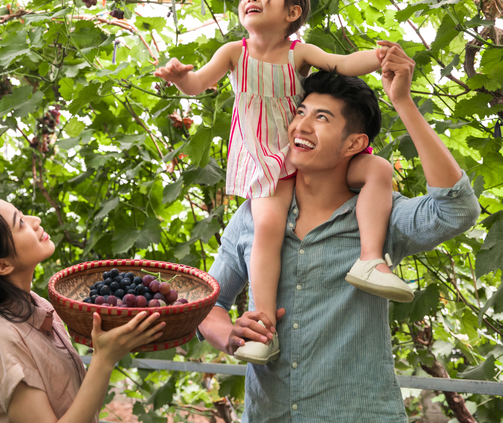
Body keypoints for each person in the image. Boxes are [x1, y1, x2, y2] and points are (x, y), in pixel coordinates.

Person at [198, 44, 481, 422]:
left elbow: (457, 210)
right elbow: (206, 304)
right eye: (300, 112)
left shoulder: (381, 215)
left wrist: (404, 103)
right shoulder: (254, 215)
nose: (301, 125)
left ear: (354, 144)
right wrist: (230, 335)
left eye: (322, 118)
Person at [155, 0, 412, 364]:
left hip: (303, 151)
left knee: (376, 167)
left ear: (293, 12)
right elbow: (198, 85)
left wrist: (379, 58)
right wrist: (179, 79)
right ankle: (263, 326)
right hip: (263, 158)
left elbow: (342, 63)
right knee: (269, 229)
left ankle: (370, 260)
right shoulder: (233, 52)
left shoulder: (299, 53)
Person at [0, 194, 165, 423]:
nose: (35, 221)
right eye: (21, 223)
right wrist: (104, 359)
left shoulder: (38, 306)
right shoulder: (1, 338)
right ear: (2, 265)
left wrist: (106, 350)